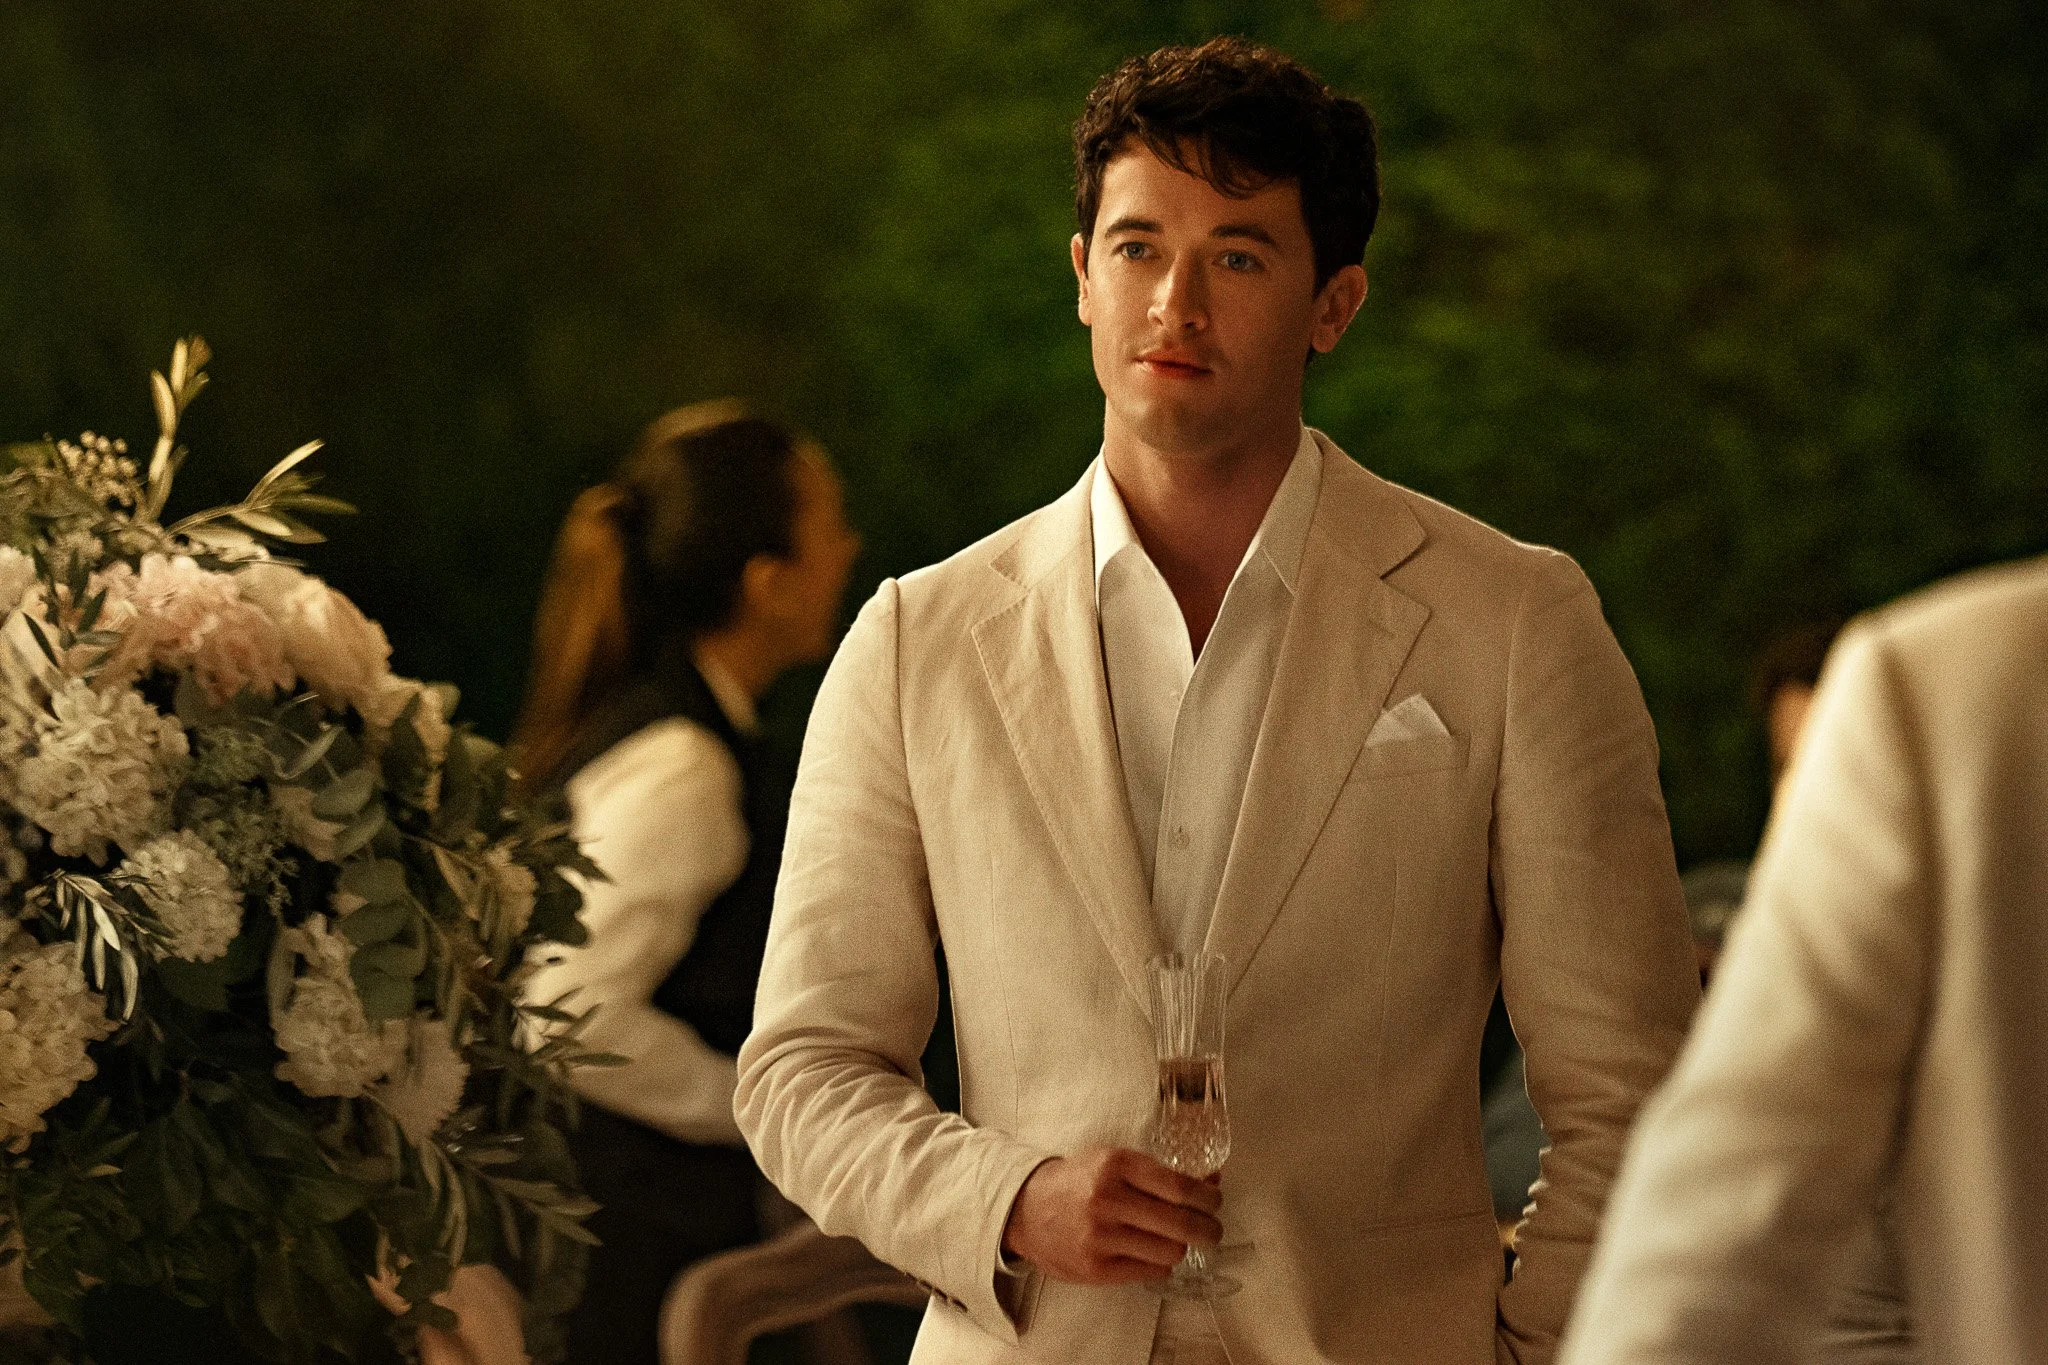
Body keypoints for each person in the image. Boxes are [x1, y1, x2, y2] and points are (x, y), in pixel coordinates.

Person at [736, 37, 1699, 1365]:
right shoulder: (917, 641)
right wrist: (1004, 1200)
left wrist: (1536, 1351)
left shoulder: (1514, 621)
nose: (1174, 305)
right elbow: (803, 1072)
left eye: (1238, 258)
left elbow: (1630, 1092)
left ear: (1333, 305)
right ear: (1082, 277)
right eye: (1137, 248)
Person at [1558, 556, 2048, 1364]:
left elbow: (1705, 1245)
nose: (1816, 797)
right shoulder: (1948, 697)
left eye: (1830, 762)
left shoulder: (1951, 698)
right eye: (1795, 768)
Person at [511, 402, 860, 1365]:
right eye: (830, 525)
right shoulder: (685, 767)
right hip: (622, 1281)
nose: (850, 549)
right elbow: (565, 1011)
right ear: (766, 582)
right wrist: (760, 1106)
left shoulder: (685, 732)